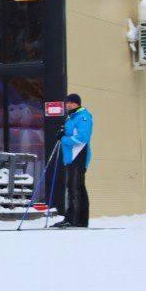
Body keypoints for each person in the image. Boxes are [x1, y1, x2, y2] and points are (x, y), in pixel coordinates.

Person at [55, 93, 93, 228]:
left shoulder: (83, 117)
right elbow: (71, 133)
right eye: (68, 103)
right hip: (71, 157)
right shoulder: (71, 117)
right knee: (76, 187)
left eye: (72, 103)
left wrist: (64, 139)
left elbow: (83, 138)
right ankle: (80, 220)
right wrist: (62, 132)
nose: (69, 105)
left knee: (74, 187)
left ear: (78, 103)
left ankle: (73, 219)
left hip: (78, 156)